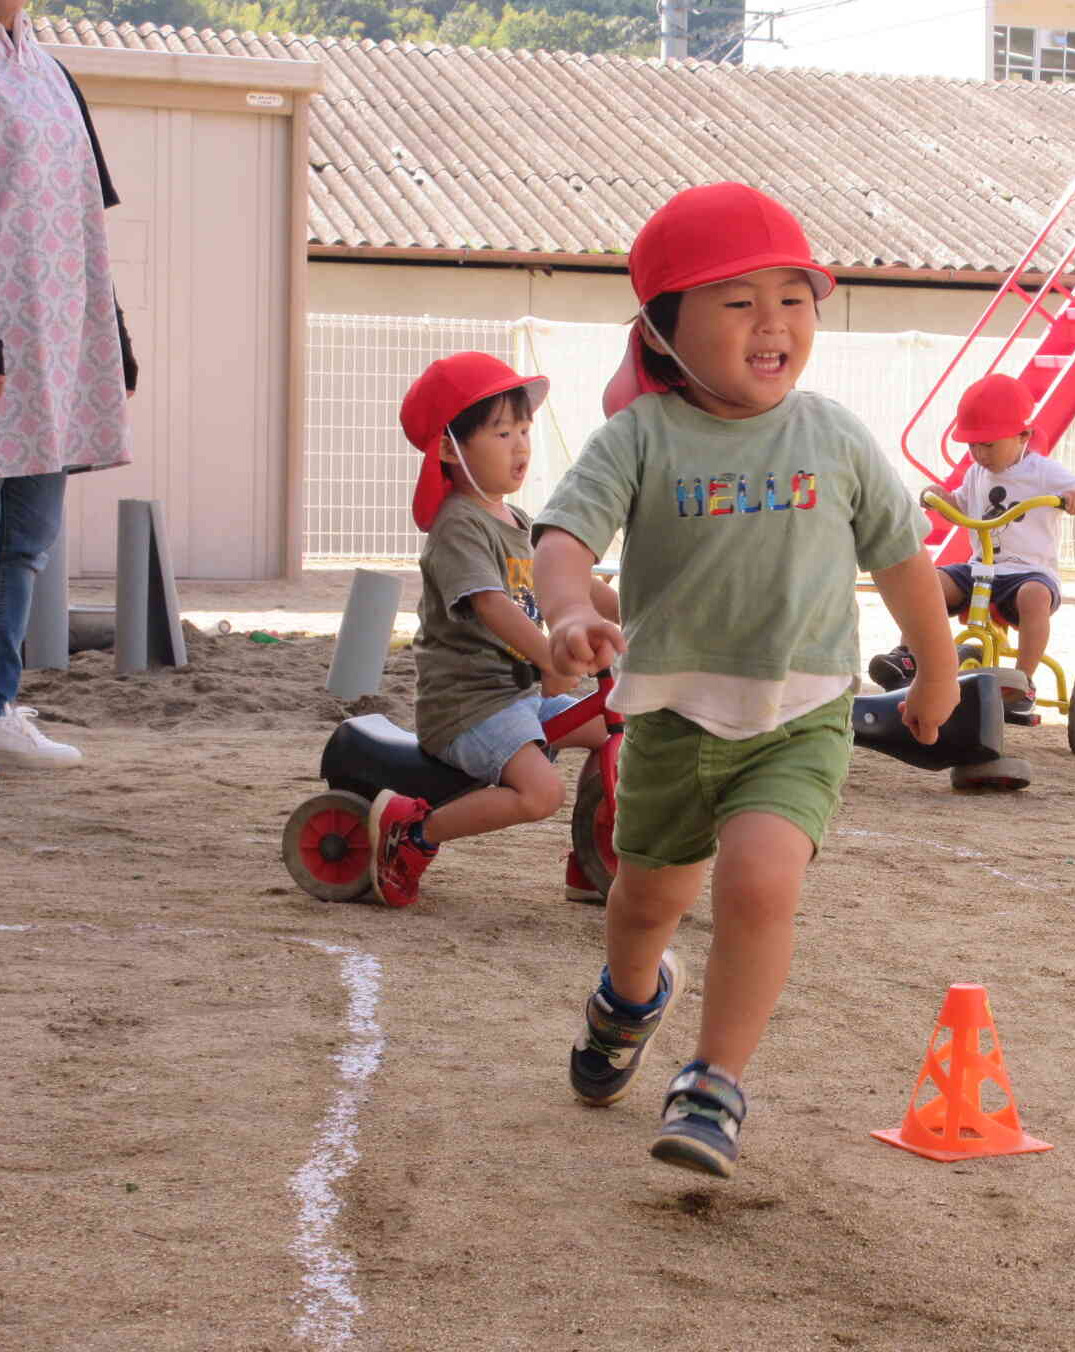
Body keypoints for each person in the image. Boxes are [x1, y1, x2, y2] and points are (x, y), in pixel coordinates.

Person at [527, 182, 958, 1179]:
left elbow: (902, 559)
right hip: (673, 721)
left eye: (793, 298)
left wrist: (936, 669)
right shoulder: (641, 437)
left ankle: (712, 1083)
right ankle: (627, 1004)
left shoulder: (835, 435)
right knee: (642, 907)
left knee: (760, 885)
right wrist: (571, 611)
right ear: (665, 331)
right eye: (735, 301)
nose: (772, 323)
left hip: (799, 716)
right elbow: (562, 536)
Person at [0, 0, 135, 787]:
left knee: (25, 537)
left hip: (53, 340)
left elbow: (87, 219)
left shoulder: (53, 73)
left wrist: (111, 333)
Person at [364, 352, 621, 908]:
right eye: (502, 432)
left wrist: (638, 611)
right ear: (448, 448)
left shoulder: (516, 520)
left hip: (518, 697)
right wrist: (552, 658)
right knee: (539, 793)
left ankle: (592, 859)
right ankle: (413, 834)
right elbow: (493, 606)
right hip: (469, 707)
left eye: (524, 429)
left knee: (616, 735)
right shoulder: (459, 525)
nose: (521, 445)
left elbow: (572, 581)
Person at [867, 373, 1075, 706]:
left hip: (1028, 573)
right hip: (981, 569)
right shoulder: (977, 473)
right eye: (972, 445)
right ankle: (907, 655)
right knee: (925, 581)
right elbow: (959, 503)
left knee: (1034, 597)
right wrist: (941, 497)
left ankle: (1022, 681)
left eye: (988, 444)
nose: (979, 453)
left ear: (1023, 435)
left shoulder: (1042, 470)